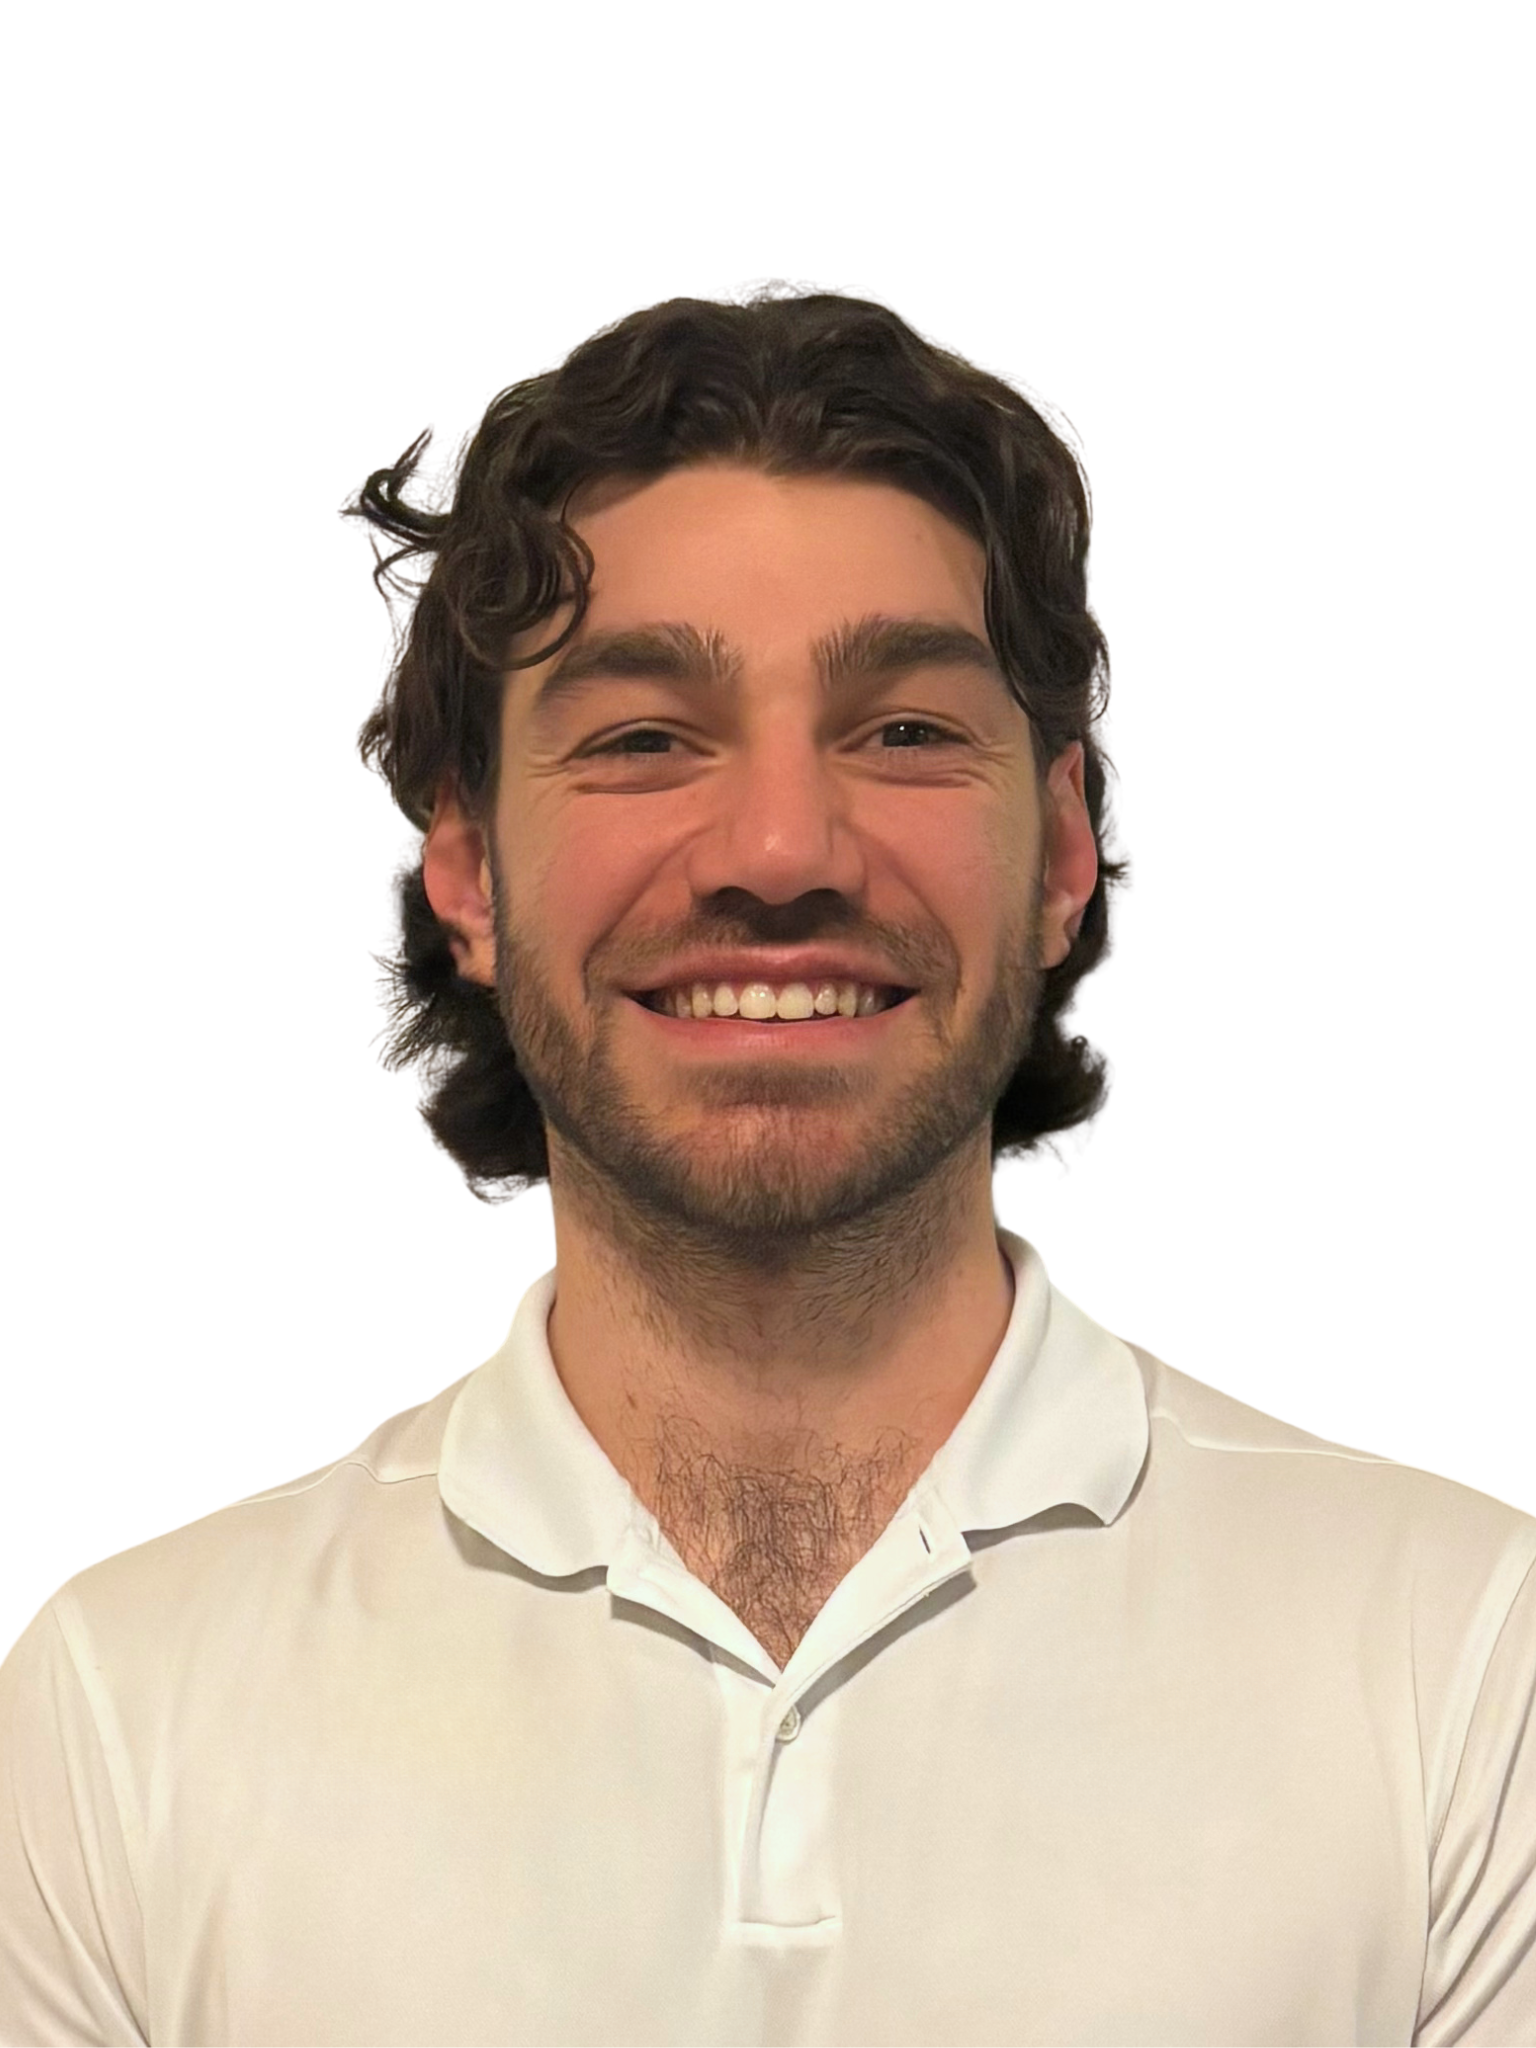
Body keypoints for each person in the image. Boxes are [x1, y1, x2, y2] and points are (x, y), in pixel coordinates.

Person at [1, 289, 1532, 2048]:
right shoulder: (119, 1723)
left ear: (1060, 855)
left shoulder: (1465, 1670)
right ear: (469, 872)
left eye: (905, 732)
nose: (785, 849)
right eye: (644, 739)